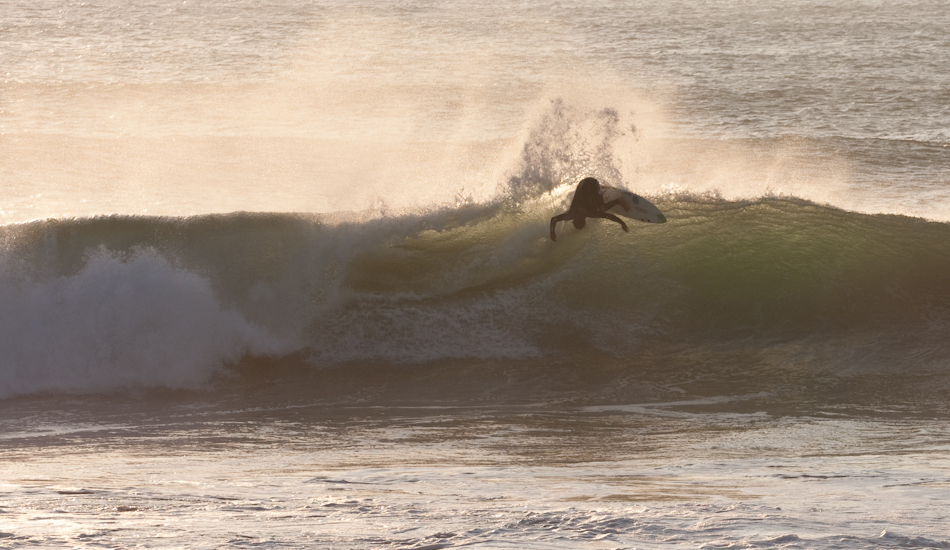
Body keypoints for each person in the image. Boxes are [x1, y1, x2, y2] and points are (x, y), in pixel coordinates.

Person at [549, 177, 629, 241]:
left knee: (601, 209)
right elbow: (554, 219)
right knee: (593, 205)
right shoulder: (569, 215)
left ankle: (618, 201)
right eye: (579, 220)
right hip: (581, 183)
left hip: (592, 182)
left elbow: (608, 216)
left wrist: (622, 223)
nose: (577, 217)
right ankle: (601, 190)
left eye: (577, 220)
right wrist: (552, 232)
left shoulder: (589, 213)